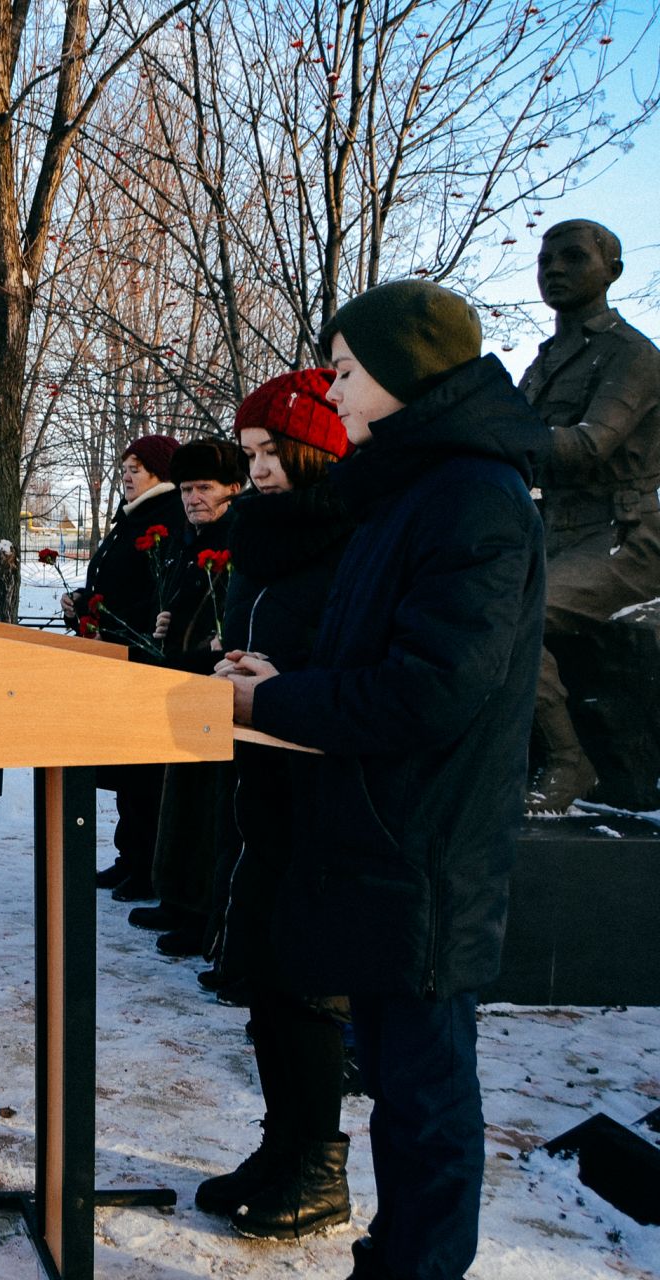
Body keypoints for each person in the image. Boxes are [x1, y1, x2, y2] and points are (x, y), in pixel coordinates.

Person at [221, 281, 545, 1280]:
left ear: (405, 378)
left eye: (350, 369)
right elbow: (369, 656)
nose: (336, 385)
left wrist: (274, 705)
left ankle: (419, 1263)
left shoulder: (473, 499)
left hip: (427, 845)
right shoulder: (410, 492)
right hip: (382, 835)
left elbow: (429, 691)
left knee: (426, 1093)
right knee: (402, 1089)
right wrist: (289, 680)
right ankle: (394, 1255)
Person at [188, 370, 356, 1239]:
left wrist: (283, 681)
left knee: (306, 986)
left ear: (317, 450)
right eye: (249, 453)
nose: (256, 470)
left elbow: (358, 664)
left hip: (323, 783)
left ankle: (319, 1166)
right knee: (265, 978)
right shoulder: (262, 535)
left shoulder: (350, 534)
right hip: (261, 775)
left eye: (271, 453)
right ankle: (280, 1143)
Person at [516, 220, 660, 811]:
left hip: (625, 541)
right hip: (554, 537)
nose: (553, 268)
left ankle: (570, 762)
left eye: (572, 258)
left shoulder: (633, 355)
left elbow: (590, 444)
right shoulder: (545, 360)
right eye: (546, 258)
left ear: (613, 273)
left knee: (513, 613)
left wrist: (492, 432)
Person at [135, 438, 244, 958]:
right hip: (184, 680)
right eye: (185, 489)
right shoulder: (190, 539)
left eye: (204, 488)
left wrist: (204, 645)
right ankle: (178, 897)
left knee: (204, 808)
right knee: (177, 796)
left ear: (233, 489)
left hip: (211, 685)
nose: (193, 498)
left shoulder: (235, 537)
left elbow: (227, 617)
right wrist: (167, 623)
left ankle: (201, 910)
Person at [64, 434, 184, 902]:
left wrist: (107, 615)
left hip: (142, 659)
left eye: (138, 467)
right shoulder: (129, 518)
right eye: (125, 467)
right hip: (116, 653)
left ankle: (148, 864)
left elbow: (153, 593)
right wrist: (82, 603)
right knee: (129, 769)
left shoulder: (165, 518)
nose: (128, 475)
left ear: (160, 473)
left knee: (144, 772)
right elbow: (112, 582)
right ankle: (130, 856)